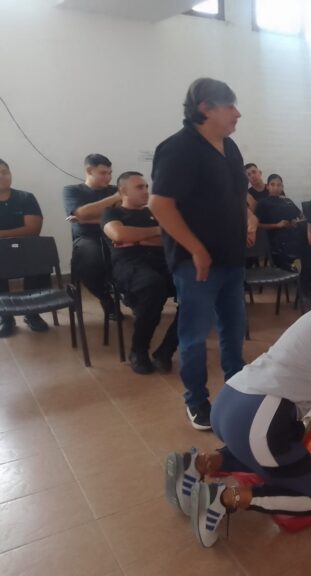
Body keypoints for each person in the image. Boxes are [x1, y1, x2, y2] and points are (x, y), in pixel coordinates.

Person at [164, 271, 311, 548]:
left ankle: (200, 464)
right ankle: (222, 499)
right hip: (259, 419)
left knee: (282, 445)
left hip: (230, 403)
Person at [150, 77, 257, 431]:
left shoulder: (230, 147)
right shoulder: (179, 148)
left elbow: (236, 194)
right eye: (229, 106)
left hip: (231, 258)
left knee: (232, 331)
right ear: (204, 109)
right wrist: (196, 249)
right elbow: (160, 205)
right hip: (196, 263)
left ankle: (236, 392)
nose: (237, 113)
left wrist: (250, 219)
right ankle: (196, 400)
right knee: (194, 336)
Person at [102, 172, 179, 375]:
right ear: (123, 191)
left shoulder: (153, 212)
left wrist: (137, 238)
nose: (146, 191)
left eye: (146, 186)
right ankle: (139, 350)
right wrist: (157, 230)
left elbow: (170, 239)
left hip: (160, 261)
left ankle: (166, 350)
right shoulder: (112, 214)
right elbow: (119, 234)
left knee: (195, 287)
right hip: (128, 264)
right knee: (154, 287)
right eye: (140, 187)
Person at [63, 153, 121, 315]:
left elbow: (121, 217)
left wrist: (85, 219)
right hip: (86, 238)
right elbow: (81, 212)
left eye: (110, 173)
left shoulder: (115, 190)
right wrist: (113, 200)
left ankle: (130, 295)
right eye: (103, 173)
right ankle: (105, 297)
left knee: (132, 256)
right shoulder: (72, 190)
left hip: (114, 234)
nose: (108, 178)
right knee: (90, 260)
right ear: (89, 171)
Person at [0, 159, 49, 336]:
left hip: (25, 250)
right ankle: (5, 317)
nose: (2, 176)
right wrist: (14, 234)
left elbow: (33, 229)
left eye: (5, 171)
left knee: (39, 257)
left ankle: (32, 313)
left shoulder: (25, 198)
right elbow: (25, 229)